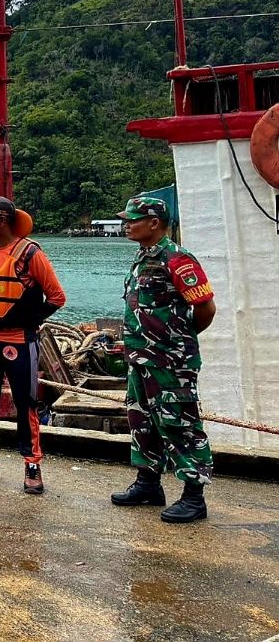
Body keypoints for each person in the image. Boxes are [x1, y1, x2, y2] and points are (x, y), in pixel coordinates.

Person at [112, 195, 216, 523]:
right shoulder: (143, 259)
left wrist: (177, 342)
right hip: (141, 360)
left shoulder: (178, 259)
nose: (126, 225)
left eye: (133, 219)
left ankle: (193, 496)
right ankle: (148, 484)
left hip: (170, 363)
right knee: (142, 422)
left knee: (181, 425)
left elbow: (205, 308)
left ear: (154, 223)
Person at [0, 196, 66, 494]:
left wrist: (31, 320)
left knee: (26, 402)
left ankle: (32, 464)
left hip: (19, 341)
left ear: (2, 220)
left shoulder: (30, 254)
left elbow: (57, 297)